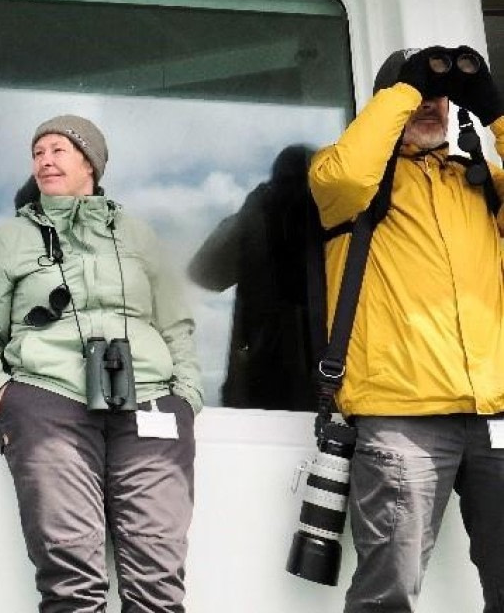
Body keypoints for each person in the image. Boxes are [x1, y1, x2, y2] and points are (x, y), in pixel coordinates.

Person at [0, 115, 202, 613]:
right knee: (71, 576)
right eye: (38, 153)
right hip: (48, 400)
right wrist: (3, 394)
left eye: (58, 150)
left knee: (157, 576)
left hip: (150, 400)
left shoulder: (138, 235)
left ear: (90, 162)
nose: (45, 160)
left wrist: (186, 397)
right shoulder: (12, 238)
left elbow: (176, 322)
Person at [309, 46, 504, 613]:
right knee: (386, 594)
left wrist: (493, 112)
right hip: (402, 416)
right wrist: (404, 89)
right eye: (416, 94)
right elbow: (348, 170)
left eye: (438, 97)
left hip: (493, 411)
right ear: (386, 105)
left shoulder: (481, 183)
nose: (429, 105)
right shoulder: (349, 184)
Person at [187, 144, 320, 410]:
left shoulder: (332, 228)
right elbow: (204, 273)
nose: (293, 194)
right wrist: (251, 214)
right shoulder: (258, 224)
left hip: (322, 376)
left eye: (300, 184)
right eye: (285, 183)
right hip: (258, 377)